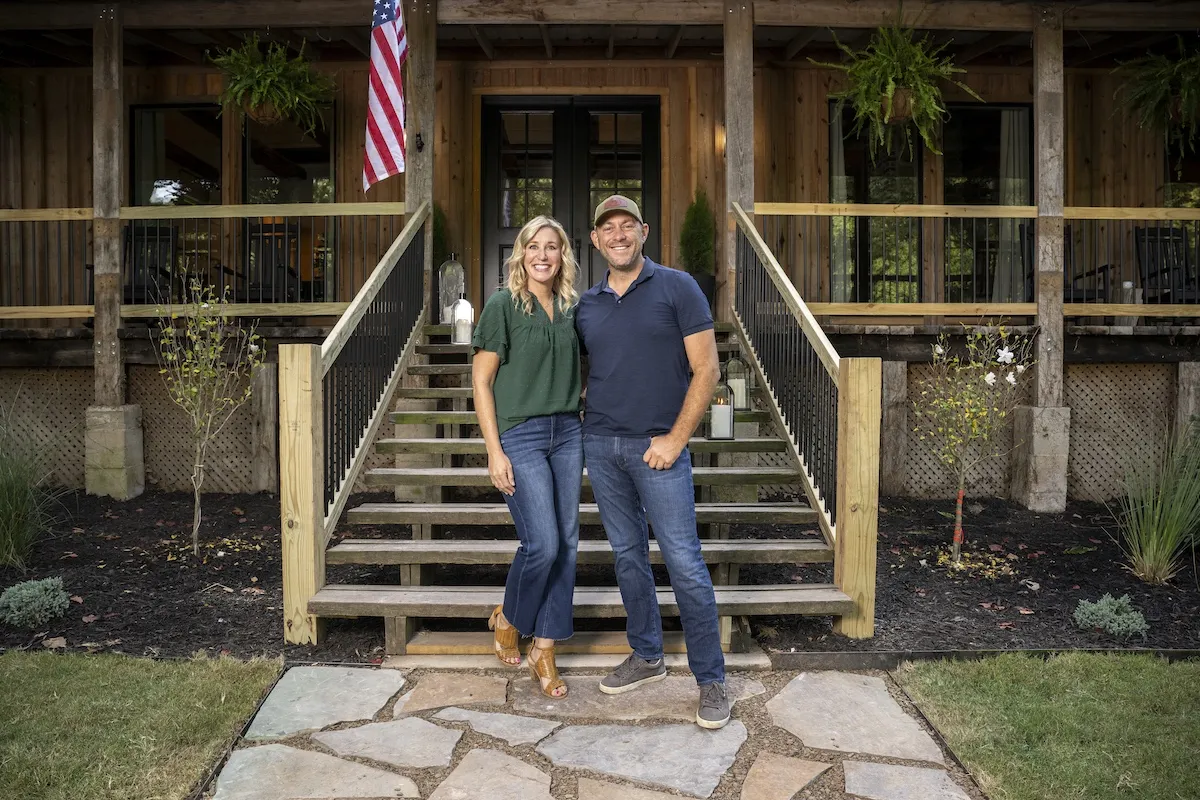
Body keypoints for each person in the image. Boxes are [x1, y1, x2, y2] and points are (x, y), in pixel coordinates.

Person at [574, 194, 729, 729]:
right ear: (595, 241)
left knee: (684, 563)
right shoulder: (586, 304)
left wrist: (675, 439)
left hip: (658, 449)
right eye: (606, 229)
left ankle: (711, 681)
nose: (617, 236)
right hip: (602, 445)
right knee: (627, 556)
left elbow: (706, 370)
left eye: (626, 226)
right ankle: (648, 655)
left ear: (643, 231)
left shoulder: (677, 287)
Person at [473, 215, 583, 700]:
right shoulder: (503, 305)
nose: (543, 255)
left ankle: (544, 648)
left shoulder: (572, 307)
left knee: (569, 545)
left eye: (552, 247)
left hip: (568, 432)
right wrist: (494, 451)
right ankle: (510, 617)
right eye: (534, 246)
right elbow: (481, 381)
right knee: (543, 544)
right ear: (521, 253)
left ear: (564, 255)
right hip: (521, 433)